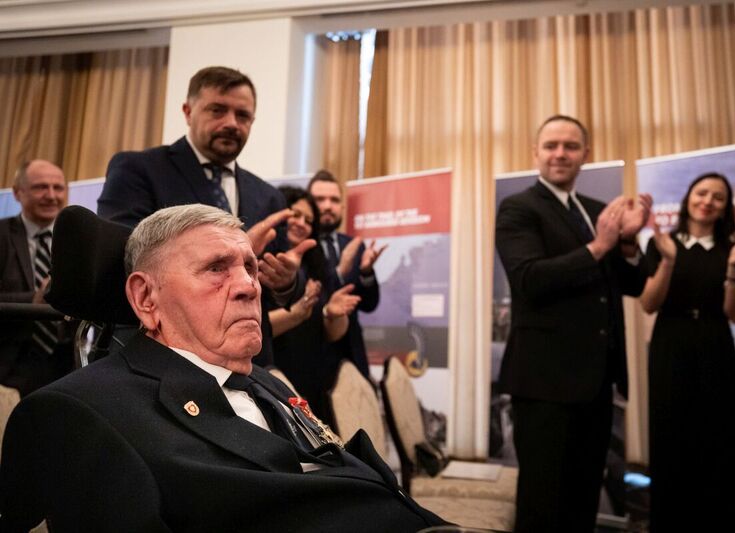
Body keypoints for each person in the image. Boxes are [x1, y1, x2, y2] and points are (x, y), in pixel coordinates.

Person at [0, 204, 445, 532]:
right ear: (146, 299)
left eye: (250, 268)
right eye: (217, 269)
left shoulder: (264, 381)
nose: (249, 287)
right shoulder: (76, 413)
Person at [495, 115, 651, 532]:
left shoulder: (599, 212)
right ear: (536, 153)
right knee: (543, 504)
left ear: (586, 154)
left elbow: (632, 285)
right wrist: (601, 246)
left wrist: (630, 242)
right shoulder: (518, 208)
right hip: (544, 382)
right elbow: (529, 280)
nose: (560, 154)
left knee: (583, 499)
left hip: (596, 384)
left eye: (570, 146)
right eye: (550, 146)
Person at [97, 65, 312, 363]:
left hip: (248, 363)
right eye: (217, 110)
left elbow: (284, 287)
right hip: (163, 354)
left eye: (243, 116)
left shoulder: (267, 195)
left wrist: (287, 279)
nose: (231, 123)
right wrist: (229, 250)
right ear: (187, 111)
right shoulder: (140, 170)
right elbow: (125, 252)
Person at [640, 172, 735, 533]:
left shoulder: (732, 251)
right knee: (671, 437)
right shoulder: (661, 243)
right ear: (688, 198)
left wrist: (734, 268)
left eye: (718, 197)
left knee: (717, 439)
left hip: (714, 344)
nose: (708, 201)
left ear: (725, 209)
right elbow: (648, 303)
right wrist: (669, 262)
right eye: (701, 193)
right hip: (670, 344)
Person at [269, 186, 361, 424]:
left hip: (314, 376)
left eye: (309, 220)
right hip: (273, 376)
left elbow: (332, 335)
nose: (302, 224)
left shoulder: (317, 265)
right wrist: (297, 314)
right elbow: (255, 326)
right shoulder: (261, 261)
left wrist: (333, 314)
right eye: (295, 215)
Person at [0, 160, 73, 396]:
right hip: (8, 367)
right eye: (41, 187)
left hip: (65, 370)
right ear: (17, 192)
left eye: (58, 188)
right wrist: (33, 300)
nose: (51, 195)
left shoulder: (78, 242)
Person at [308, 170, 385, 378]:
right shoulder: (301, 246)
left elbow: (369, 305)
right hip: (314, 356)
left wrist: (366, 272)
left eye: (334, 200)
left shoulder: (352, 245)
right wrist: (340, 271)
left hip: (352, 355)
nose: (327, 206)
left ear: (342, 206)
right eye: (319, 199)